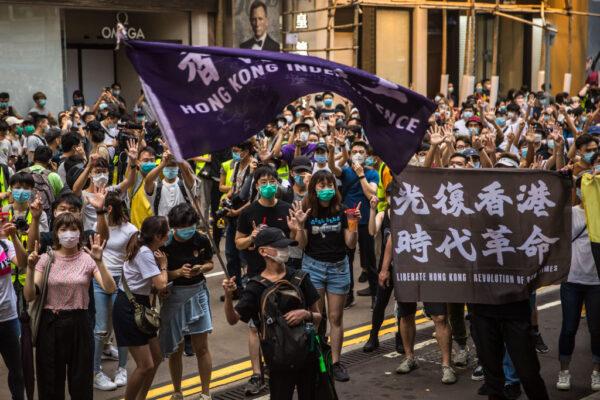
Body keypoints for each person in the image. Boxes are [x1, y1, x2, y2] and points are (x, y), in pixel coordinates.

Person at [24, 213, 116, 400]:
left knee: (81, 383)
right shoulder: (45, 259)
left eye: (73, 229)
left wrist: (99, 261)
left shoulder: (88, 259)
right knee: (49, 383)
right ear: (56, 234)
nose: (69, 234)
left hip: (80, 324)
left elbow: (110, 287)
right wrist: (30, 268)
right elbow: (30, 295)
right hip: (50, 326)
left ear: (80, 233)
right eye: (63, 229)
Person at [222, 227, 321, 399]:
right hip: (278, 362)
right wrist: (229, 296)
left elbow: (319, 317)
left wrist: (305, 314)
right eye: (279, 246)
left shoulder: (300, 278)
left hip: (307, 357)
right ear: (263, 251)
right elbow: (232, 319)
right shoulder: (255, 287)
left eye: (286, 246)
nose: (284, 250)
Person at [234, 165, 298, 394]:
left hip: (283, 274)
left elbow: (295, 240)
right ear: (257, 186)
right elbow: (237, 242)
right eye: (263, 182)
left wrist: (295, 228)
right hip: (256, 276)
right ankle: (256, 374)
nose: (269, 185)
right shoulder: (248, 212)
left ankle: (279, 365)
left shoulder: (286, 208)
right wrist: (250, 237)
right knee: (255, 327)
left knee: (281, 323)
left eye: (272, 180)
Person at [294, 170, 359, 382]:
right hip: (313, 267)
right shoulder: (307, 210)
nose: (326, 190)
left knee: (335, 318)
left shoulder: (341, 210)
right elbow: (301, 244)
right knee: (316, 317)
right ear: (314, 189)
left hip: (338, 267)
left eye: (329, 185)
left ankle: (336, 362)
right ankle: (318, 357)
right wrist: (301, 225)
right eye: (321, 186)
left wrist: (353, 224)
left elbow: (350, 243)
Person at [160, 203, 214, 400]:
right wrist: (177, 273)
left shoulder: (201, 239)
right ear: (174, 227)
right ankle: (177, 391)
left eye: (191, 225)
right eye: (183, 227)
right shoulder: (165, 244)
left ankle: (206, 392)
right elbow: (161, 275)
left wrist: (201, 269)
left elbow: (210, 263)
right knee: (176, 348)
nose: (187, 230)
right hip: (174, 295)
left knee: (201, 347)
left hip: (197, 292)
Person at [112, 216, 169, 400]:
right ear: (159, 236)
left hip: (138, 304)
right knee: (146, 365)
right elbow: (161, 284)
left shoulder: (144, 248)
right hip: (130, 308)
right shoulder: (145, 252)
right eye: (166, 233)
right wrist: (164, 266)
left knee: (157, 356)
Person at [556, 176, 600, 392]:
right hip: (572, 280)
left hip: (597, 282)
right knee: (568, 328)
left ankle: (596, 372)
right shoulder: (571, 213)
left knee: (597, 329)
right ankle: (564, 371)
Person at [92, 192, 137, 391]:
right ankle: (94, 371)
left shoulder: (131, 230)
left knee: (122, 327)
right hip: (101, 278)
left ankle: (122, 369)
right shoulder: (100, 223)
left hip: (122, 281)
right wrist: (100, 213)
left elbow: (131, 257)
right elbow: (102, 237)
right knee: (100, 328)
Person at [329, 140, 378, 307]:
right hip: (348, 221)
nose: (358, 154)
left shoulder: (372, 174)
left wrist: (361, 174)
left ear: (366, 155)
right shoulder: (346, 171)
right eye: (355, 151)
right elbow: (332, 167)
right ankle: (348, 295)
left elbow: (371, 193)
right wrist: (333, 150)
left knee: (369, 259)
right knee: (347, 259)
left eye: (361, 151)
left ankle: (375, 294)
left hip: (365, 220)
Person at [0, 214, 27, 400]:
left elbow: (23, 263)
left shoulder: (5, 245)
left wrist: (14, 237)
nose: (2, 224)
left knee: (17, 369)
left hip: (9, 317)